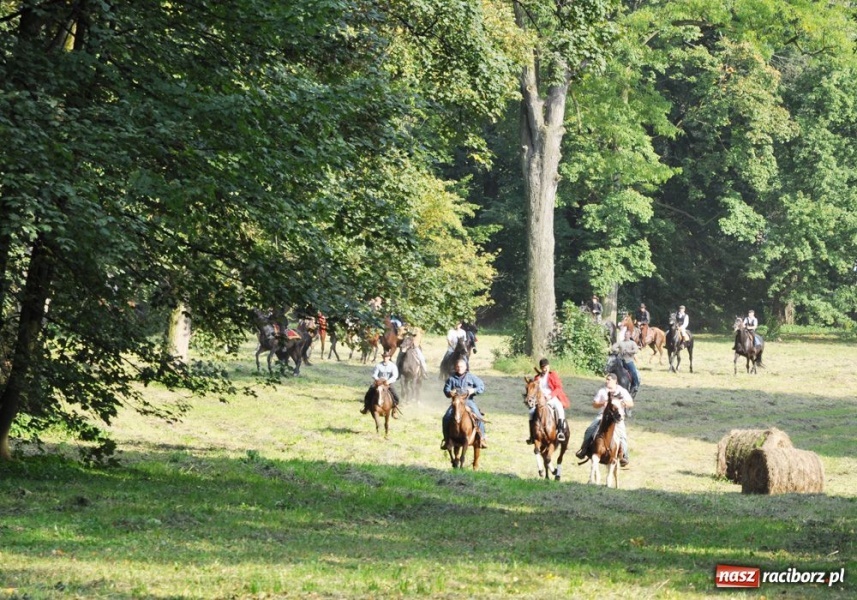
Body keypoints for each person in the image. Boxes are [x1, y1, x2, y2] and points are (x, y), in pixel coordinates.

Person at [574, 373, 634, 467]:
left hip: (617, 417)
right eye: (606, 379)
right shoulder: (602, 391)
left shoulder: (622, 391)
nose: (607, 381)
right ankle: (584, 449)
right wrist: (603, 403)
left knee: (622, 435)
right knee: (590, 429)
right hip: (602, 416)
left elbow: (631, 403)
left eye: (609, 379)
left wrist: (623, 403)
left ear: (615, 381)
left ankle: (624, 456)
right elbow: (594, 404)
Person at [441, 359, 487, 449]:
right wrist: (450, 393)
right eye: (457, 367)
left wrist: (473, 390)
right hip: (456, 403)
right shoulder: (451, 378)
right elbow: (446, 390)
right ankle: (447, 440)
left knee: (479, 417)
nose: (459, 368)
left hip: (468, 401)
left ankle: (482, 438)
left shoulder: (472, 377)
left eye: (461, 366)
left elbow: (481, 386)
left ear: (465, 367)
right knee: (446, 417)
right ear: (455, 367)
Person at [526, 358, 570, 444]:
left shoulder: (553, 375)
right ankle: (532, 435)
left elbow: (558, 388)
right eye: (543, 367)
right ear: (541, 368)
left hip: (551, 397)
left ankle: (560, 431)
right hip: (540, 400)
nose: (544, 369)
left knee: (559, 408)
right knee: (531, 412)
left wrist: (550, 396)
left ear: (548, 367)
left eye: (546, 367)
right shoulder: (537, 377)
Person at [361, 351, 400, 416]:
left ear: (389, 357)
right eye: (384, 357)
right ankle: (366, 407)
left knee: (396, 397)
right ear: (382, 357)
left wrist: (388, 381)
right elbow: (374, 374)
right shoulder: (378, 365)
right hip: (379, 383)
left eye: (387, 357)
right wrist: (378, 380)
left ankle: (394, 410)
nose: (385, 358)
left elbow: (395, 376)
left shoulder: (393, 366)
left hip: (388, 383)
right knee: (368, 393)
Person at [611, 330, 641, 395]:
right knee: (612, 369)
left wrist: (628, 351)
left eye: (627, 334)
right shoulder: (620, 342)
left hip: (629, 361)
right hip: (620, 360)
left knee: (633, 372)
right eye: (625, 334)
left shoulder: (632, 343)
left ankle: (635, 385)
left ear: (630, 336)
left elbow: (636, 350)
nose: (626, 336)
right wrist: (618, 350)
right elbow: (613, 347)